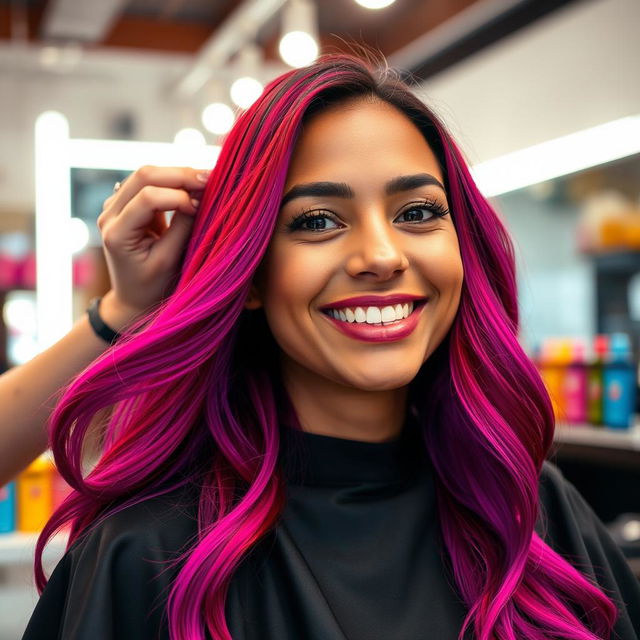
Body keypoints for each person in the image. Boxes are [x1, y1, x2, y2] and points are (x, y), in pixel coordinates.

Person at [21, 53, 640, 640]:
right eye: (317, 221)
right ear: (252, 274)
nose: (380, 256)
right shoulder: (147, 554)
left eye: (419, 211)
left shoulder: (530, 509)